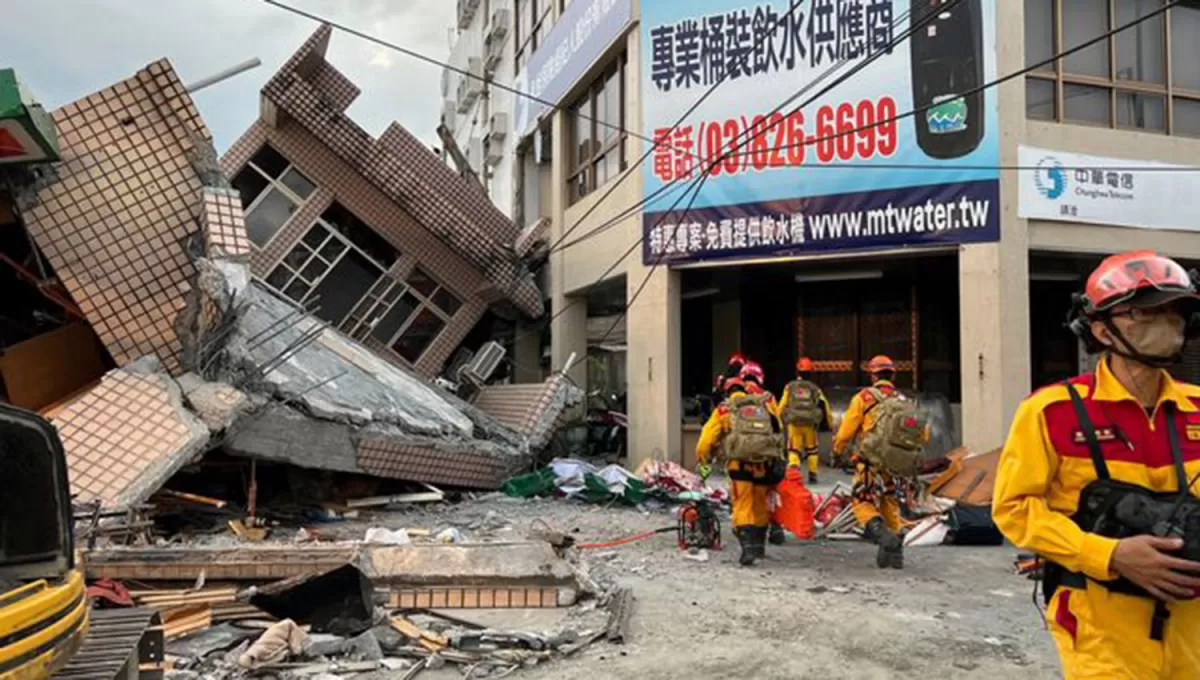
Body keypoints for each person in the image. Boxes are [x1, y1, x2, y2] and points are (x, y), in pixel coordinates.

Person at [993, 251, 1200, 679]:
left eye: (1172, 312)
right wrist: (1110, 554)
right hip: (1100, 624)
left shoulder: (1196, 407)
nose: (1165, 323)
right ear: (1101, 329)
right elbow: (1014, 509)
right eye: (1145, 314)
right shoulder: (1051, 411)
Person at [696, 375, 786, 566]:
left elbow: (705, 441)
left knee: (743, 504)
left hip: (740, 466)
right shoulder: (763, 405)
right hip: (764, 464)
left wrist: (704, 460)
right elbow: (778, 429)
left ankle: (747, 549)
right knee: (760, 503)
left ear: (726, 391)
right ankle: (759, 547)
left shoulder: (724, 409)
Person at [832, 355, 907, 569]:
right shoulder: (902, 399)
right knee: (890, 503)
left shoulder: (864, 398)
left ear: (873, 375)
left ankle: (882, 536)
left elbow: (846, 429)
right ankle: (894, 556)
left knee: (862, 501)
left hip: (869, 462)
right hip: (895, 463)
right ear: (892, 375)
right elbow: (923, 433)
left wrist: (837, 452)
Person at [779, 357, 833, 485]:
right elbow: (825, 405)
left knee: (794, 449)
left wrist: (779, 421)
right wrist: (829, 424)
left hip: (794, 423)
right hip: (810, 423)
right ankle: (813, 474)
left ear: (798, 371)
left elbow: (782, 405)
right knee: (812, 450)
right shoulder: (815, 388)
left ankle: (794, 473)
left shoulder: (790, 387)